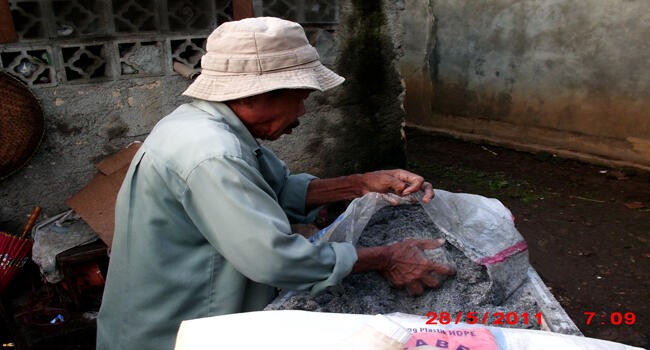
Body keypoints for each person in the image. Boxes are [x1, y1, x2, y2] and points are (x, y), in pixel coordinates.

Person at [96, 17, 455, 350]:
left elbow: (276, 190)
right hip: (173, 332)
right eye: (299, 99)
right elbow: (275, 260)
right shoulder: (212, 153)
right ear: (255, 95)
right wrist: (387, 257)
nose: (301, 113)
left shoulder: (202, 125)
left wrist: (360, 184)